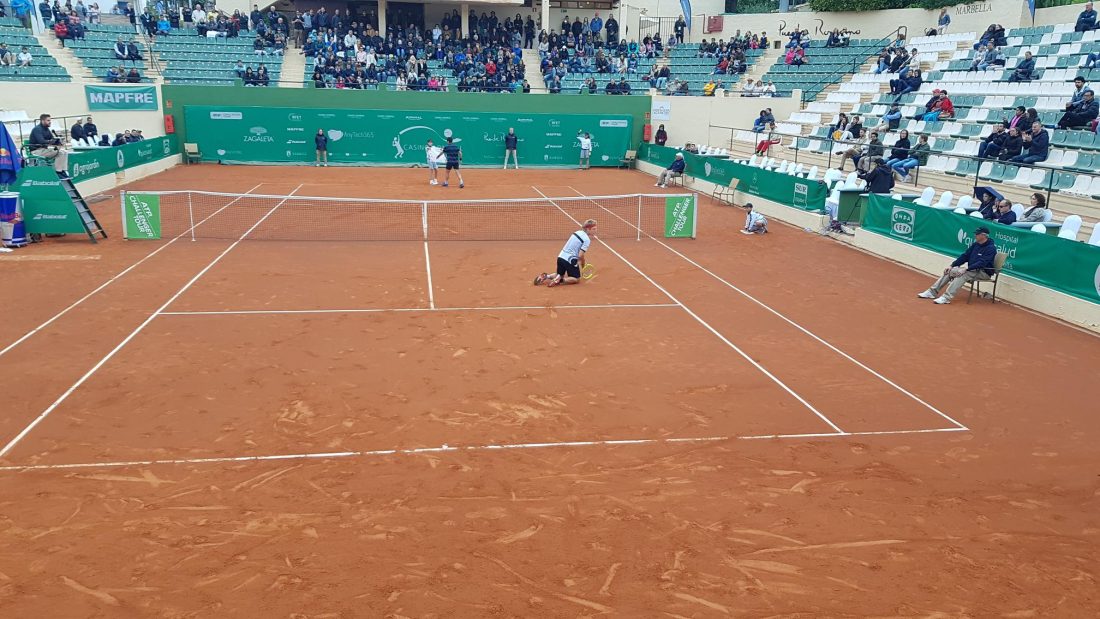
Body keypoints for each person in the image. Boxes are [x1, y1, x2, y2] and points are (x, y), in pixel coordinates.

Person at [917, 226, 997, 304]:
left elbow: (982, 263)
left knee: (962, 274)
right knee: (950, 271)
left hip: (984, 272)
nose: (975, 235)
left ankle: (946, 297)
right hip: (972, 270)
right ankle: (932, 292)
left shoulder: (991, 248)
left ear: (983, 235)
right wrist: (952, 265)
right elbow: (965, 256)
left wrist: (966, 269)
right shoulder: (975, 244)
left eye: (977, 234)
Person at [535, 219, 598, 287]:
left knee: (560, 274)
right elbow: (580, 255)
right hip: (570, 260)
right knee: (576, 279)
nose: (595, 231)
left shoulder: (577, 232)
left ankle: (546, 276)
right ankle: (559, 280)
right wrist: (582, 264)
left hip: (561, 257)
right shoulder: (587, 240)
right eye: (594, 229)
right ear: (588, 229)